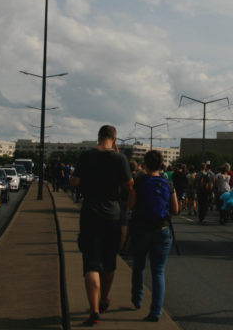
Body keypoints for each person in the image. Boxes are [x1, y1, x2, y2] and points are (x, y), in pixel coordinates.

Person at [70, 125, 133, 326]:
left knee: (91, 263)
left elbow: (75, 182)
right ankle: (104, 299)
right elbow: (129, 186)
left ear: (98, 138)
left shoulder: (87, 156)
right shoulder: (120, 158)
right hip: (112, 214)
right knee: (109, 261)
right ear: (114, 140)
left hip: (90, 213)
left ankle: (94, 309)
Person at [128, 150, 179, 322]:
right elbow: (176, 209)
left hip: (141, 229)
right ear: (161, 164)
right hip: (162, 230)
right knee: (158, 271)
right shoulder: (167, 182)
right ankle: (156, 312)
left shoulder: (139, 181)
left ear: (146, 163)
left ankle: (137, 299)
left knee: (139, 265)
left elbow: (131, 205)